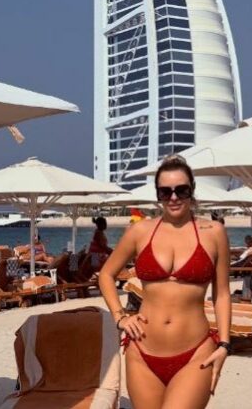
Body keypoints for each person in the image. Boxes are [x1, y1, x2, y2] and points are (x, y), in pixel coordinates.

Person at [99, 155, 231, 409]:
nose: (173, 197)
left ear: (192, 190)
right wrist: (120, 317)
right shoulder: (139, 231)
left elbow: (222, 294)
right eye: (165, 191)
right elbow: (106, 275)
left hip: (196, 352)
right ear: (158, 194)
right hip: (142, 354)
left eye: (181, 190)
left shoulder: (214, 232)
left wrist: (225, 344)